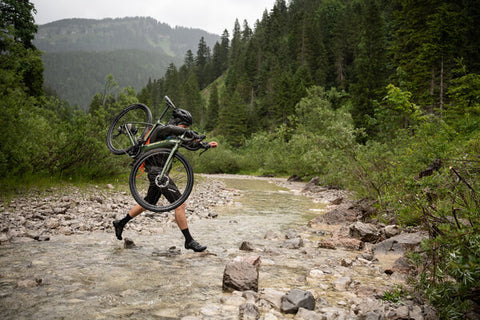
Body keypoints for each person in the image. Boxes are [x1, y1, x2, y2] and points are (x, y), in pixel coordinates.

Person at [113, 108, 218, 252]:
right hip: (157, 174)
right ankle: (189, 240)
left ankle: (120, 223)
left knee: (147, 203)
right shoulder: (161, 130)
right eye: (184, 127)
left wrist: (204, 145)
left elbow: (189, 144)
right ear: (177, 123)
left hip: (159, 174)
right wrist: (185, 132)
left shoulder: (175, 137)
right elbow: (170, 128)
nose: (185, 130)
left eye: (187, 128)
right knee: (179, 204)